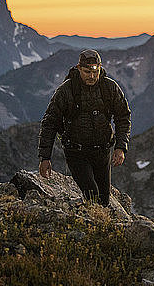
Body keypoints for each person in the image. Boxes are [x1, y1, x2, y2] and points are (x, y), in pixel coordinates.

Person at [37, 49, 131, 206]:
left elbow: (123, 117)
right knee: (92, 196)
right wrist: (44, 157)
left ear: (100, 67)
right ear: (78, 68)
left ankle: (98, 227)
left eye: (95, 71)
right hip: (76, 153)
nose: (92, 76)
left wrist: (121, 147)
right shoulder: (66, 91)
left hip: (102, 153)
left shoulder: (110, 88)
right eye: (87, 71)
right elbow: (49, 123)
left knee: (104, 200)